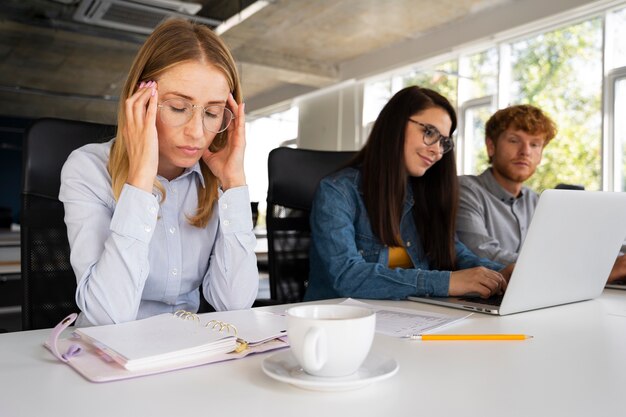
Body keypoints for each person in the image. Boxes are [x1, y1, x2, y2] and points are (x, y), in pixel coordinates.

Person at [59, 19, 258, 327]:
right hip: (107, 357)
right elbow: (107, 317)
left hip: (187, 349)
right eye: (178, 107)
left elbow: (234, 304)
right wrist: (139, 182)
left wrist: (235, 184)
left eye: (212, 112)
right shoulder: (87, 168)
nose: (196, 132)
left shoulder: (214, 177)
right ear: (140, 101)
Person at [304, 86, 511, 302]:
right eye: (429, 132)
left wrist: (501, 273)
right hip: (339, 320)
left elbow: (455, 254)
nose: (437, 151)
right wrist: (447, 282)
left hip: (405, 316)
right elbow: (347, 276)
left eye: (443, 142)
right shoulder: (338, 191)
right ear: (395, 125)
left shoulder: (425, 193)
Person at [455, 105, 557, 265]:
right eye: (514, 140)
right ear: (491, 146)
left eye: (535, 144)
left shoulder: (537, 201)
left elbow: (555, 250)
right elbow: (481, 252)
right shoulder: (465, 190)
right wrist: (553, 265)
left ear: (541, 155)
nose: (525, 151)